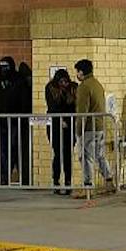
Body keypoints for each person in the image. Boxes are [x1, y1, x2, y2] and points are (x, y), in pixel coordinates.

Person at [0, 56, 31, 186]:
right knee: (3, 150)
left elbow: (24, 102)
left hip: (15, 122)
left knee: (15, 149)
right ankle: (3, 176)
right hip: (2, 122)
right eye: (1, 67)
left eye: (6, 67)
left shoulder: (19, 81)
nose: (4, 69)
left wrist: (21, 118)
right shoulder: (0, 82)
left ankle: (22, 178)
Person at [74, 59, 113, 193]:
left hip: (89, 127)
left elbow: (82, 111)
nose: (77, 75)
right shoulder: (97, 84)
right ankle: (109, 180)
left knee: (86, 157)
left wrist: (78, 131)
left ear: (81, 72)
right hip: (100, 125)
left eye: (77, 71)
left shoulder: (84, 86)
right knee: (100, 155)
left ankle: (88, 186)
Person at [43, 67, 76, 195]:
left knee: (68, 153)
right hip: (55, 125)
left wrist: (68, 120)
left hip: (69, 125)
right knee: (58, 153)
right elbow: (52, 107)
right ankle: (56, 181)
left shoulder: (73, 88)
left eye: (65, 82)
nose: (64, 84)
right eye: (61, 82)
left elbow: (74, 106)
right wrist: (61, 119)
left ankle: (68, 182)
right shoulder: (50, 88)